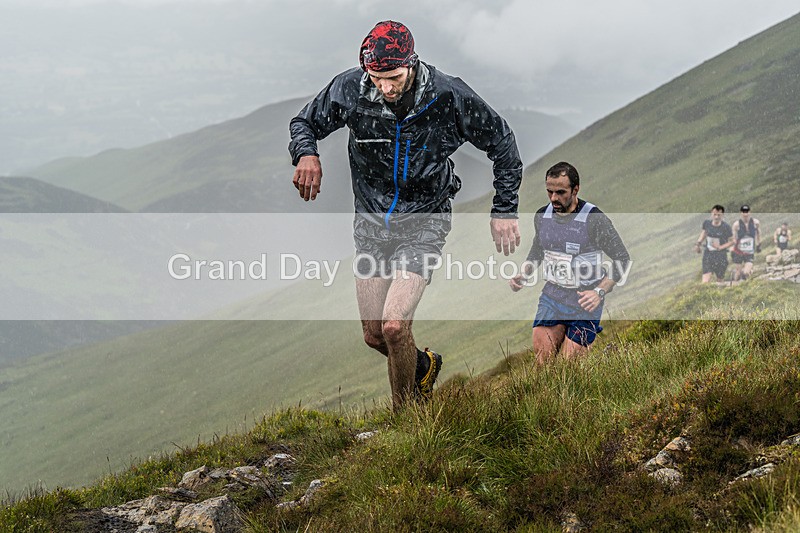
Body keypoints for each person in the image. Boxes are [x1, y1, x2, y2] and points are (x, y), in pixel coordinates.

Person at [288, 20, 523, 409]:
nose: (386, 87)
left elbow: (503, 141)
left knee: (395, 326)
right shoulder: (350, 88)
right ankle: (424, 365)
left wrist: (504, 209)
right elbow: (304, 122)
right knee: (374, 334)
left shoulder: (448, 95)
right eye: (377, 77)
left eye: (394, 77)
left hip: (425, 221)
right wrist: (306, 153)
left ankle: (407, 422)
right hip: (371, 224)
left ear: (411, 64)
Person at [509, 162, 629, 365]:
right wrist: (524, 273)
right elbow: (538, 249)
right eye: (549, 191)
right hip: (552, 297)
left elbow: (622, 259)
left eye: (560, 192)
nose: (554, 198)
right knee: (542, 367)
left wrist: (599, 292)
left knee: (567, 370)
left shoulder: (594, 219)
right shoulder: (542, 216)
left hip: (585, 303)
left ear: (575, 189)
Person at [694, 205, 734, 283]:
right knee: (705, 280)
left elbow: (732, 241)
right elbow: (704, 233)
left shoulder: (726, 227)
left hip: (721, 256)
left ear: (722, 215)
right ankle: (704, 294)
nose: (716, 217)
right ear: (711, 214)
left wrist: (721, 247)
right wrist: (698, 243)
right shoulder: (707, 223)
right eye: (714, 214)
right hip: (708, 255)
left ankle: (719, 294)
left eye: (719, 215)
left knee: (720, 280)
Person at [730, 204, 761, 281]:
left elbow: (759, 233)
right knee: (738, 274)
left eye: (747, 212)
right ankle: (735, 287)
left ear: (750, 212)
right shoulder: (736, 224)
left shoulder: (755, 223)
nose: (745, 214)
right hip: (739, 251)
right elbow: (733, 238)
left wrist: (758, 244)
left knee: (746, 272)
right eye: (744, 212)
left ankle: (748, 276)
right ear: (741, 213)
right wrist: (732, 248)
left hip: (749, 251)